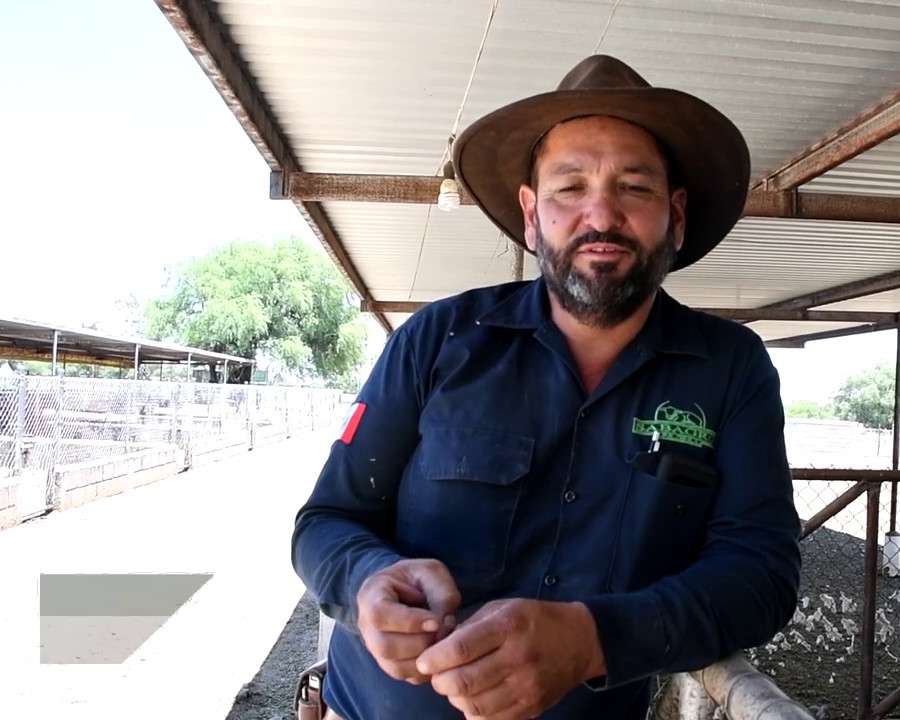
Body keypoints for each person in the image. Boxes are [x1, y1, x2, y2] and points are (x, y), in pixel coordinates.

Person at [290, 54, 803, 720]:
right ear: (531, 214)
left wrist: (596, 639)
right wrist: (365, 581)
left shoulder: (731, 368)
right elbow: (326, 522)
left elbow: (762, 573)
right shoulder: (436, 340)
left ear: (675, 215)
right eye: (569, 187)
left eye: (634, 187)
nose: (601, 214)